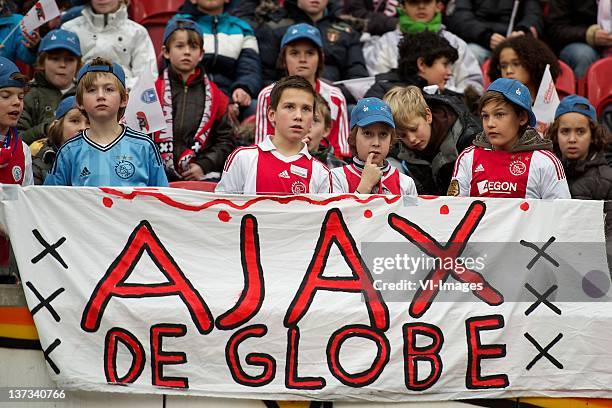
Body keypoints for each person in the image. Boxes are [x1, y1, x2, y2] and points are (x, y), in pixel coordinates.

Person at [44, 58, 168, 187]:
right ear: (80, 102)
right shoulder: (69, 151)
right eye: (91, 90)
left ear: (124, 99)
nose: (100, 96)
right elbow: (52, 200)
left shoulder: (144, 146)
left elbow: (162, 200)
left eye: (109, 89)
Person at [449, 78, 570, 199]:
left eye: (499, 114)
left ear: (522, 118)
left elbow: (560, 214)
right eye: (485, 116)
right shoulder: (468, 158)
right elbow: (455, 210)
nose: (490, 123)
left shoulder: (545, 162)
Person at [216, 75, 332, 194]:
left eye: (306, 109)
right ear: (271, 114)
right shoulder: (243, 158)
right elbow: (222, 208)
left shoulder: (321, 173)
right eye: (290, 107)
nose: (298, 116)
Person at [155, 19, 235, 183]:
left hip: (200, 177)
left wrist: (204, 165)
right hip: (156, 175)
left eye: (193, 47)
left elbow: (226, 141)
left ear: (201, 54)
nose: (187, 52)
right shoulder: (151, 92)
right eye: (180, 46)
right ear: (166, 52)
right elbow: (138, 135)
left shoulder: (217, 96)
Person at [255, 23, 349, 158]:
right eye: (294, 53)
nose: (303, 59)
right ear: (283, 59)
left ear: (320, 58)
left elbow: (339, 152)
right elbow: (262, 148)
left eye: (310, 53)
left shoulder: (336, 97)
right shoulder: (267, 96)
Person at [362, 0, 483, 94]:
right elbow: (379, 84)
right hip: (399, 113)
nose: (421, 6)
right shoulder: (385, 43)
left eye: (427, 1)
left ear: (438, 6)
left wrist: (445, 97)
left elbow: (473, 88)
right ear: (402, 6)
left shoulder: (456, 43)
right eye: (414, 1)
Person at [255, 0, 369, 100]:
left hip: (334, 96)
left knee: (354, 111)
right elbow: (265, 76)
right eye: (295, 53)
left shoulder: (347, 31)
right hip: (284, 97)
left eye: (310, 53)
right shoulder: (274, 28)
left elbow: (357, 80)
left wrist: (331, 92)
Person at [171, 0, 262, 119]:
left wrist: (243, 88)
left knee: (258, 109)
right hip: (191, 95)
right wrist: (221, 103)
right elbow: (174, 69)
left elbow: (250, 69)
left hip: (232, 98)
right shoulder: (179, 25)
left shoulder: (243, 29)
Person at [384, 85, 481, 195]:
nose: (411, 139)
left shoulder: (468, 137)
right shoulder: (396, 145)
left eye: (414, 129)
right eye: (403, 135)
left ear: (428, 116)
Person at [61, 0, 158, 90]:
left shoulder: (138, 32)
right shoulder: (69, 29)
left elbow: (147, 76)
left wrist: (116, 91)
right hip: (77, 99)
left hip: (126, 99)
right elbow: (61, 73)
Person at [331, 97, 417, 195]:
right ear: (353, 138)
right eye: (367, 133)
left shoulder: (406, 183)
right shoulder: (336, 177)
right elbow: (337, 210)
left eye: (383, 134)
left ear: (391, 140)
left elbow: (411, 210)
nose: (376, 143)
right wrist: (365, 186)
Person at [18, 29, 81, 145]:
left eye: (70, 60)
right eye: (55, 58)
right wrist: (45, 129)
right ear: (42, 62)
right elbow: (15, 139)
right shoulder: (28, 94)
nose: (62, 65)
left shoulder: (85, 94)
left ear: (78, 65)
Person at [364, 30, 459, 99]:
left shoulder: (452, 99)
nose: (450, 72)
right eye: (445, 65)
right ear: (421, 64)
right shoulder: (382, 96)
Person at [445, 0, 543, 65]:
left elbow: (534, 15)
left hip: (514, 43)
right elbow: (459, 17)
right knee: (470, 54)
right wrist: (486, 36)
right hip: (479, 41)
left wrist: (522, 31)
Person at [546, 0, 611, 78]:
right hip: (578, 42)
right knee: (583, 56)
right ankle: (582, 89)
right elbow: (555, 28)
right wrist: (588, 34)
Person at [31, 96, 88, 184]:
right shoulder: (40, 164)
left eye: (89, 122)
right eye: (75, 121)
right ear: (58, 126)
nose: (83, 128)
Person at [487, 35, 560, 102]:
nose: (508, 71)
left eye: (516, 64)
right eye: (503, 66)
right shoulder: (494, 105)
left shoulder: (551, 105)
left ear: (533, 63)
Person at [0, 57, 33, 186]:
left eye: (21, 97)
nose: (16, 102)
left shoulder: (23, 150)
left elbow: (26, 202)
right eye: (6, 96)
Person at [306, 94, 346, 169]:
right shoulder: (277, 162)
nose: (307, 127)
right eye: (302, 119)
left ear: (326, 130)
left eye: (314, 121)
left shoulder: (338, 168)